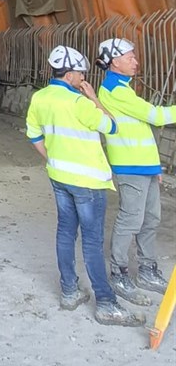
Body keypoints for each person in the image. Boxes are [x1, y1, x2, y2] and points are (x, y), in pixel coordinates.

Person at [25, 45, 143, 326]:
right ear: (69, 75)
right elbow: (112, 126)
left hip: (59, 177)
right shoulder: (79, 103)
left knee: (65, 232)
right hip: (88, 182)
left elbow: (33, 135)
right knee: (92, 241)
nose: (83, 78)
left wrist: (53, 159)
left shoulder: (40, 98)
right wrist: (94, 99)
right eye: (80, 74)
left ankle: (69, 291)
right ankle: (105, 302)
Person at [97, 37, 175, 302]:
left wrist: (155, 166)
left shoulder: (125, 88)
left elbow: (140, 130)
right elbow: (155, 117)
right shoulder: (115, 90)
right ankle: (118, 271)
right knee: (131, 219)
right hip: (129, 167)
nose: (136, 61)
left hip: (144, 167)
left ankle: (146, 269)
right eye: (130, 57)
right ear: (114, 62)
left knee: (150, 218)